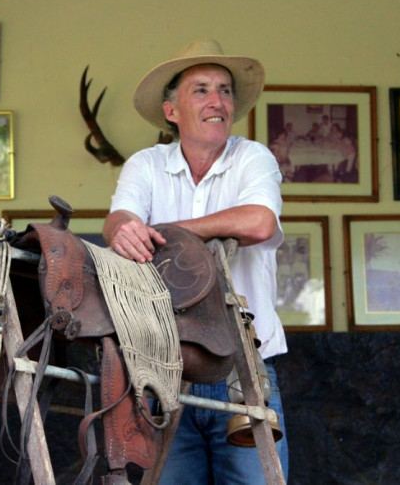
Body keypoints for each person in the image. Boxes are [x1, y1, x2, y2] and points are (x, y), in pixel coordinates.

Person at [103, 39, 288, 484]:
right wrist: (125, 229)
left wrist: (167, 231)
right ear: (172, 112)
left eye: (225, 91)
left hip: (245, 370)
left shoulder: (252, 157)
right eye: (201, 90)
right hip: (163, 371)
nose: (218, 101)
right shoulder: (146, 164)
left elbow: (260, 221)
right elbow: (119, 219)